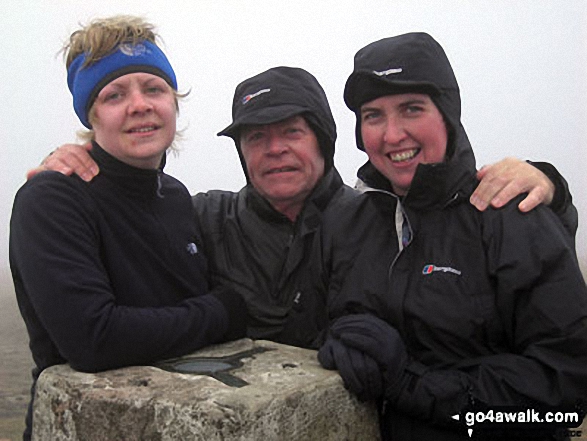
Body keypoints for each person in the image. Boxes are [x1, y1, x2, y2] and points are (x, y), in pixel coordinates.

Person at [27, 65, 576, 351]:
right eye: (256, 137)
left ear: (324, 140)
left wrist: (550, 183)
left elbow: (475, 236)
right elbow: (132, 209)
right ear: (240, 152)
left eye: (291, 130)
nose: (275, 149)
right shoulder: (204, 219)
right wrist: (78, 161)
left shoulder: (382, 219)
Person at [318, 32, 587, 440]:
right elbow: (321, 321)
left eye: (411, 109)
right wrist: (339, 343)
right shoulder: (346, 220)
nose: (392, 135)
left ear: (447, 113)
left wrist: (413, 385)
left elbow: (566, 393)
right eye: (373, 115)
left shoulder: (510, 215)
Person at [9, 16, 246, 441]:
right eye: (114, 95)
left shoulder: (174, 196)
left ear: (174, 103)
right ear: (91, 116)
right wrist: (223, 311)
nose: (140, 105)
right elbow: (94, 339)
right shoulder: (53, 199)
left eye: (154, 89)